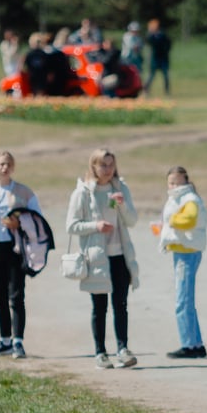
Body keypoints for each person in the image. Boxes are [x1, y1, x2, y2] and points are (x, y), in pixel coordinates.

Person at [66, 148, 140, 370]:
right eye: (103, 165)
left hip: (120, 255)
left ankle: (123, 349)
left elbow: (132, 220)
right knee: (99, 307)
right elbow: (71, 225)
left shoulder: (120, 188)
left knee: (121, 304)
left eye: (111, 165)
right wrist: (96, 226)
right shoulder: (83, 193)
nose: (108, 170)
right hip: (97, 257)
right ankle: (100, 352)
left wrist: (122, 205)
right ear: (93, 167)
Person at [0, 151, 42, 360]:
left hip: (16, 248)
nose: (4, 168)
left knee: (17, 294)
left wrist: (19, 224)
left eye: (8, 164)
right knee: (0, 295)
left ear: (13, 168)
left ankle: (18, 341)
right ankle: (4, 339)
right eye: (1, 164)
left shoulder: (23, 192)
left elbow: (38, 218)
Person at [158, 166, 207, 359]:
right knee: (185, 299)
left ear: (186, 181)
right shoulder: (177, 198)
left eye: (178, 182)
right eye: (171, 182)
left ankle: (190, 345)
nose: (174, 185)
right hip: (180, 251)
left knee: (183, 301)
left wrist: (172, 220)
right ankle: (195, 343)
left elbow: (189, 219)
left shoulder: (190, 199)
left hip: (188, 253)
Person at [144, 18, 171, 95]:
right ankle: (146, 89)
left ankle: (167, 91)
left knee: (166, 75)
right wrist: (150, 33)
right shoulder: (151, 36)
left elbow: (169, 43)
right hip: (154, 58)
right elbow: (147, 41)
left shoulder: (163, 35)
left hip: (163, 58)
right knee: (151, 75)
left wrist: (166, 51)